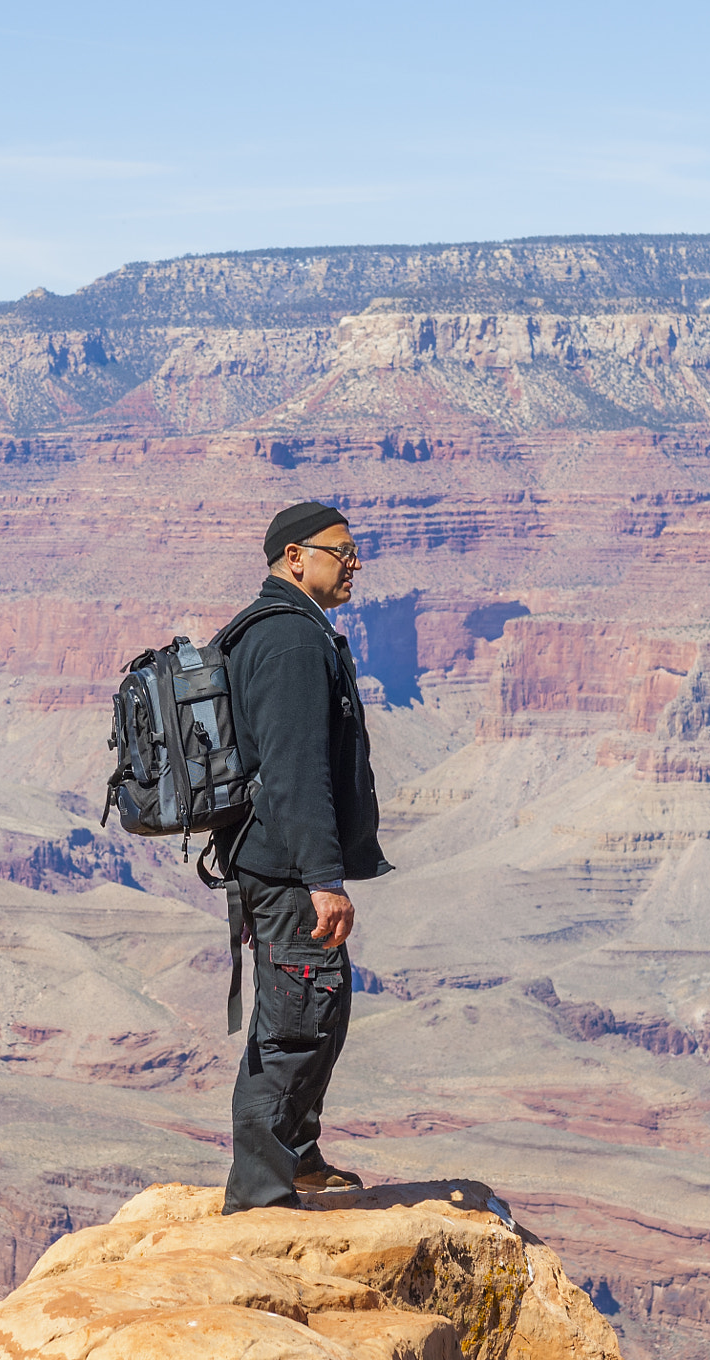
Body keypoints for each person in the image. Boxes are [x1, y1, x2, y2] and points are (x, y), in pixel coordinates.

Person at [219, 500, 393, 1212]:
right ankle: (261, 1192)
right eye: (341, 551)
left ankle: (297, 1156)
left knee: (319, 1005)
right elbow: (295, 770)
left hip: (274, 863)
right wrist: (324, 878)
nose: (354, 564)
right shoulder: (291, 641)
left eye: (356, 552)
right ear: (297, 557)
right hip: (288, 871)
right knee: (294, 1024)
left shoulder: (271, 628)